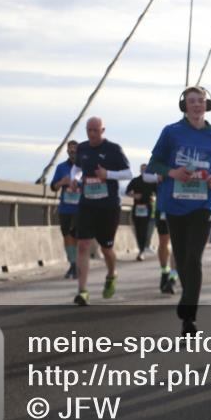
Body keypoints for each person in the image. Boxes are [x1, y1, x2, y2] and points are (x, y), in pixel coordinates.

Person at [145, 86, 211, 335]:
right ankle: (187, 300)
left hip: (203, 205)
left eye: (201, 101)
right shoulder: (171, 132)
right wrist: (172, 172)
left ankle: (189, 316)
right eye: (192, 101)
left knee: (194, 257)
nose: (197, 105)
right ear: (184, 105)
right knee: (181, 258)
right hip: (175, 204)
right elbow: (154, 164)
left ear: (207, 105)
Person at [68, 117, 131, 306]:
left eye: (96, 130)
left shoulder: (114, 149)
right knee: (83, 245)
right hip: (87, 204)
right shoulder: (83, 148)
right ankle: (82, 291)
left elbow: (128, 173)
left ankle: (112, 274)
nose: (92, 134)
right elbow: (77, 168)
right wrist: (74, 178)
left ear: (103, 130)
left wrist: (108, 174)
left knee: (106, 248)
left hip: (108, 206)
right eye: (89, 130)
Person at [49, 140, 80, 278]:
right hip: (65, 208)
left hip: (80, 209)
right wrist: (62, 182)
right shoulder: (61, 167)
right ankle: (73, 264)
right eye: (70, 151)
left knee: (76, 236)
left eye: (75, 151)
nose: (72, 153)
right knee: (67, 236)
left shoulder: (84, 167)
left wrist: (78, 184)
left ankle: (77, 265)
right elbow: (53, 187)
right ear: (67, 152)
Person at [126, 163, 157, 260]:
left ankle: (142, 250)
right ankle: (141, 249)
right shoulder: (135, 180)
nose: (144, 171)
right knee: (138, 229)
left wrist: (154, 198)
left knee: (145, 229)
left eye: (146, 169)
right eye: (142, 169)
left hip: (148, 207)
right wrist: (134, 196)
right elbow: (127, 191)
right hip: (137, 207)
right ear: (140, 170)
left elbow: (158, 193)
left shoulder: (152, 181)